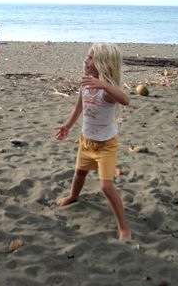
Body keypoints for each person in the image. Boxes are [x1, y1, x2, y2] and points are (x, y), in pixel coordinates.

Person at [54, 42, 132, 241]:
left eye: (92, 58)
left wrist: (104, 84)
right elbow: (79, 107)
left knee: (105, 186)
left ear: (104, 64)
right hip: (86, 141)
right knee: (79, 172)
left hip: (106, 145)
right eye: (87, 56)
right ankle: (73, 196)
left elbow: (125, 100)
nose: (86, 61)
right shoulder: (86, 84)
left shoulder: (107, 90)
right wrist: (67, 125)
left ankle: (124, 228)